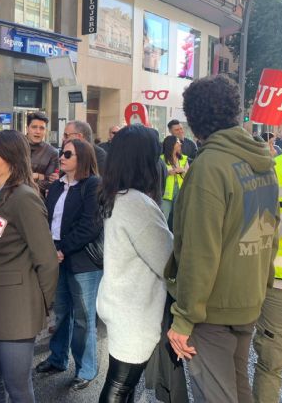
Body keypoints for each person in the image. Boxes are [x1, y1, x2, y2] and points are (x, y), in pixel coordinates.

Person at [165, 75, 279, 402]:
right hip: (248, 298)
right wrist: (262, 287)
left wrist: (184, 318)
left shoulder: (209, 167)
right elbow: (269, 231)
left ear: (195, 118)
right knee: (239, 388)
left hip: (212, 310)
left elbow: (201, 252)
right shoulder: (263, 162)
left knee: (215, 395)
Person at [0, 130, 58, 402]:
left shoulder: (23, 198)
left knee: (17, 387)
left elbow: (48, 261)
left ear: (13, 158)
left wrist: (39, 306)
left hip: (15, 310)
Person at [96, 125, 174, 402]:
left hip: (119, 300)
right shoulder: (137, 203)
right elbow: (168, 261)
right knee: (119, 386)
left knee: (120, 384)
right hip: (134, 312)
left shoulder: (116, 194)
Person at [36, 139, 103, 391]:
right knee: (62, 313)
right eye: (61, 153)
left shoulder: (93, 185)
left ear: (82, 158)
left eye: (67, 154)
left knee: (84, 318)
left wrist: (62, 249)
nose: (61, 157)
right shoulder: (56, 186)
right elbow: (47, 219)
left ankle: (86, 369)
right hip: (58, 257)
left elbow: (90, 225)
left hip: (83, 261)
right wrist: (52, 250)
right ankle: (57, 359)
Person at [252, 150, 282, 403]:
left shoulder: (275, 167)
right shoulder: (274, 168)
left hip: (278, 283)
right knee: (271, 362)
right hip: (279, 284)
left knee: (271, 364)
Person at [25, 111, 59, 195]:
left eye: (42, 128)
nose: (38, 131)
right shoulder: (15, 146)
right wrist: (39, 176)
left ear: (45, 131)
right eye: (34, 127)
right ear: (27, 128)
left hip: (37, 199)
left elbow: (50, 182)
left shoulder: (52, 152)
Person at [160, 135, 189, 227]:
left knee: (177, 218)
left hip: (180, 192)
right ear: (171, 144)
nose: (180, 143)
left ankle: (175, 239)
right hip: (165, 193)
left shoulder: (184, 158)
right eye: (177, 142)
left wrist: (183, 171)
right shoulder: (161, 159)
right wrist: (168, 173)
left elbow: (189, 175)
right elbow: (156, 175)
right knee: (163, 218)